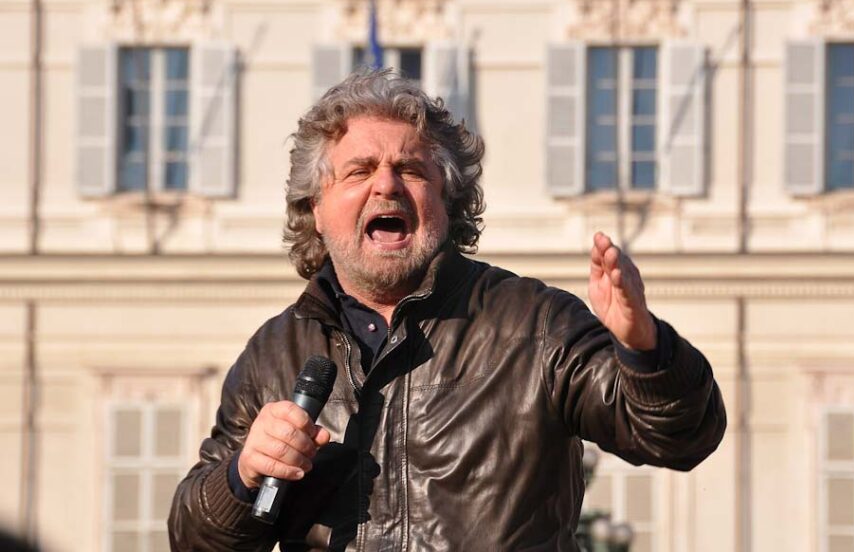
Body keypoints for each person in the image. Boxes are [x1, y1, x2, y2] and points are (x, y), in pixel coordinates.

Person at [168, 68, 726, 551]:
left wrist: (644, 348)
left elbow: (679, 437)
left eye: (411, 170)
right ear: (315, 207)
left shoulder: (536, 324)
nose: (386, 185)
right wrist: (242, 477)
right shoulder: (275, 353)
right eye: (359, 170)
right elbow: (195, 538)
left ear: (448, 199)